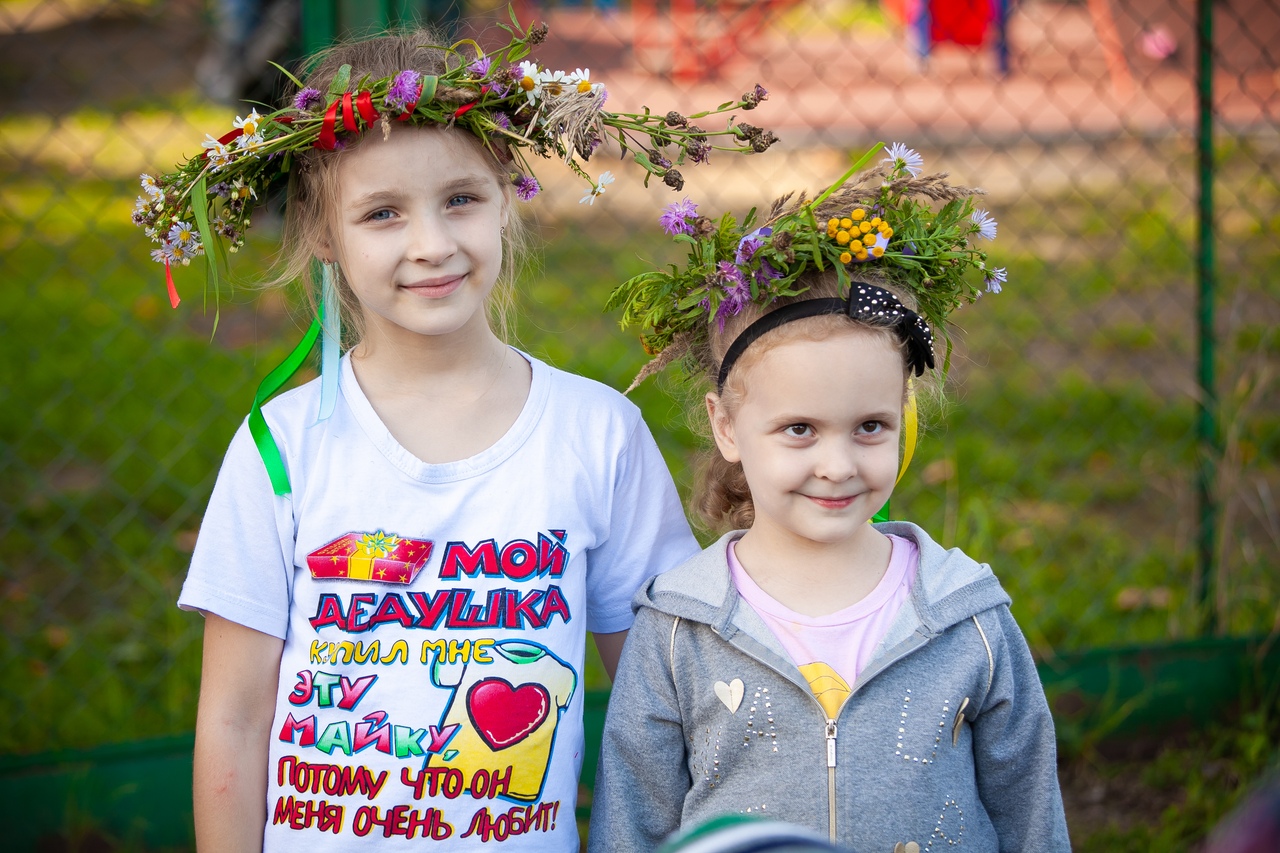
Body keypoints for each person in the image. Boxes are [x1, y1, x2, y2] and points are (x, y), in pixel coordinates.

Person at [134, 21, 772, 850]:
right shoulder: (280, 447)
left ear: (507, 196)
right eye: (382, 213)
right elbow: (233, 715)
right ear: (324, 235)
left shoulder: (596, 434)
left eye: (460, 199)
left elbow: (666, 695)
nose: (431, 245)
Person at [588, 143, 1070, 852]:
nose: (838, 464)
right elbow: (632, 820)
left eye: (870, 426)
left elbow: (1032, 814)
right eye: (800, 429)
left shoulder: (966, 616)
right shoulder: (678, 626)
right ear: (727, 427)